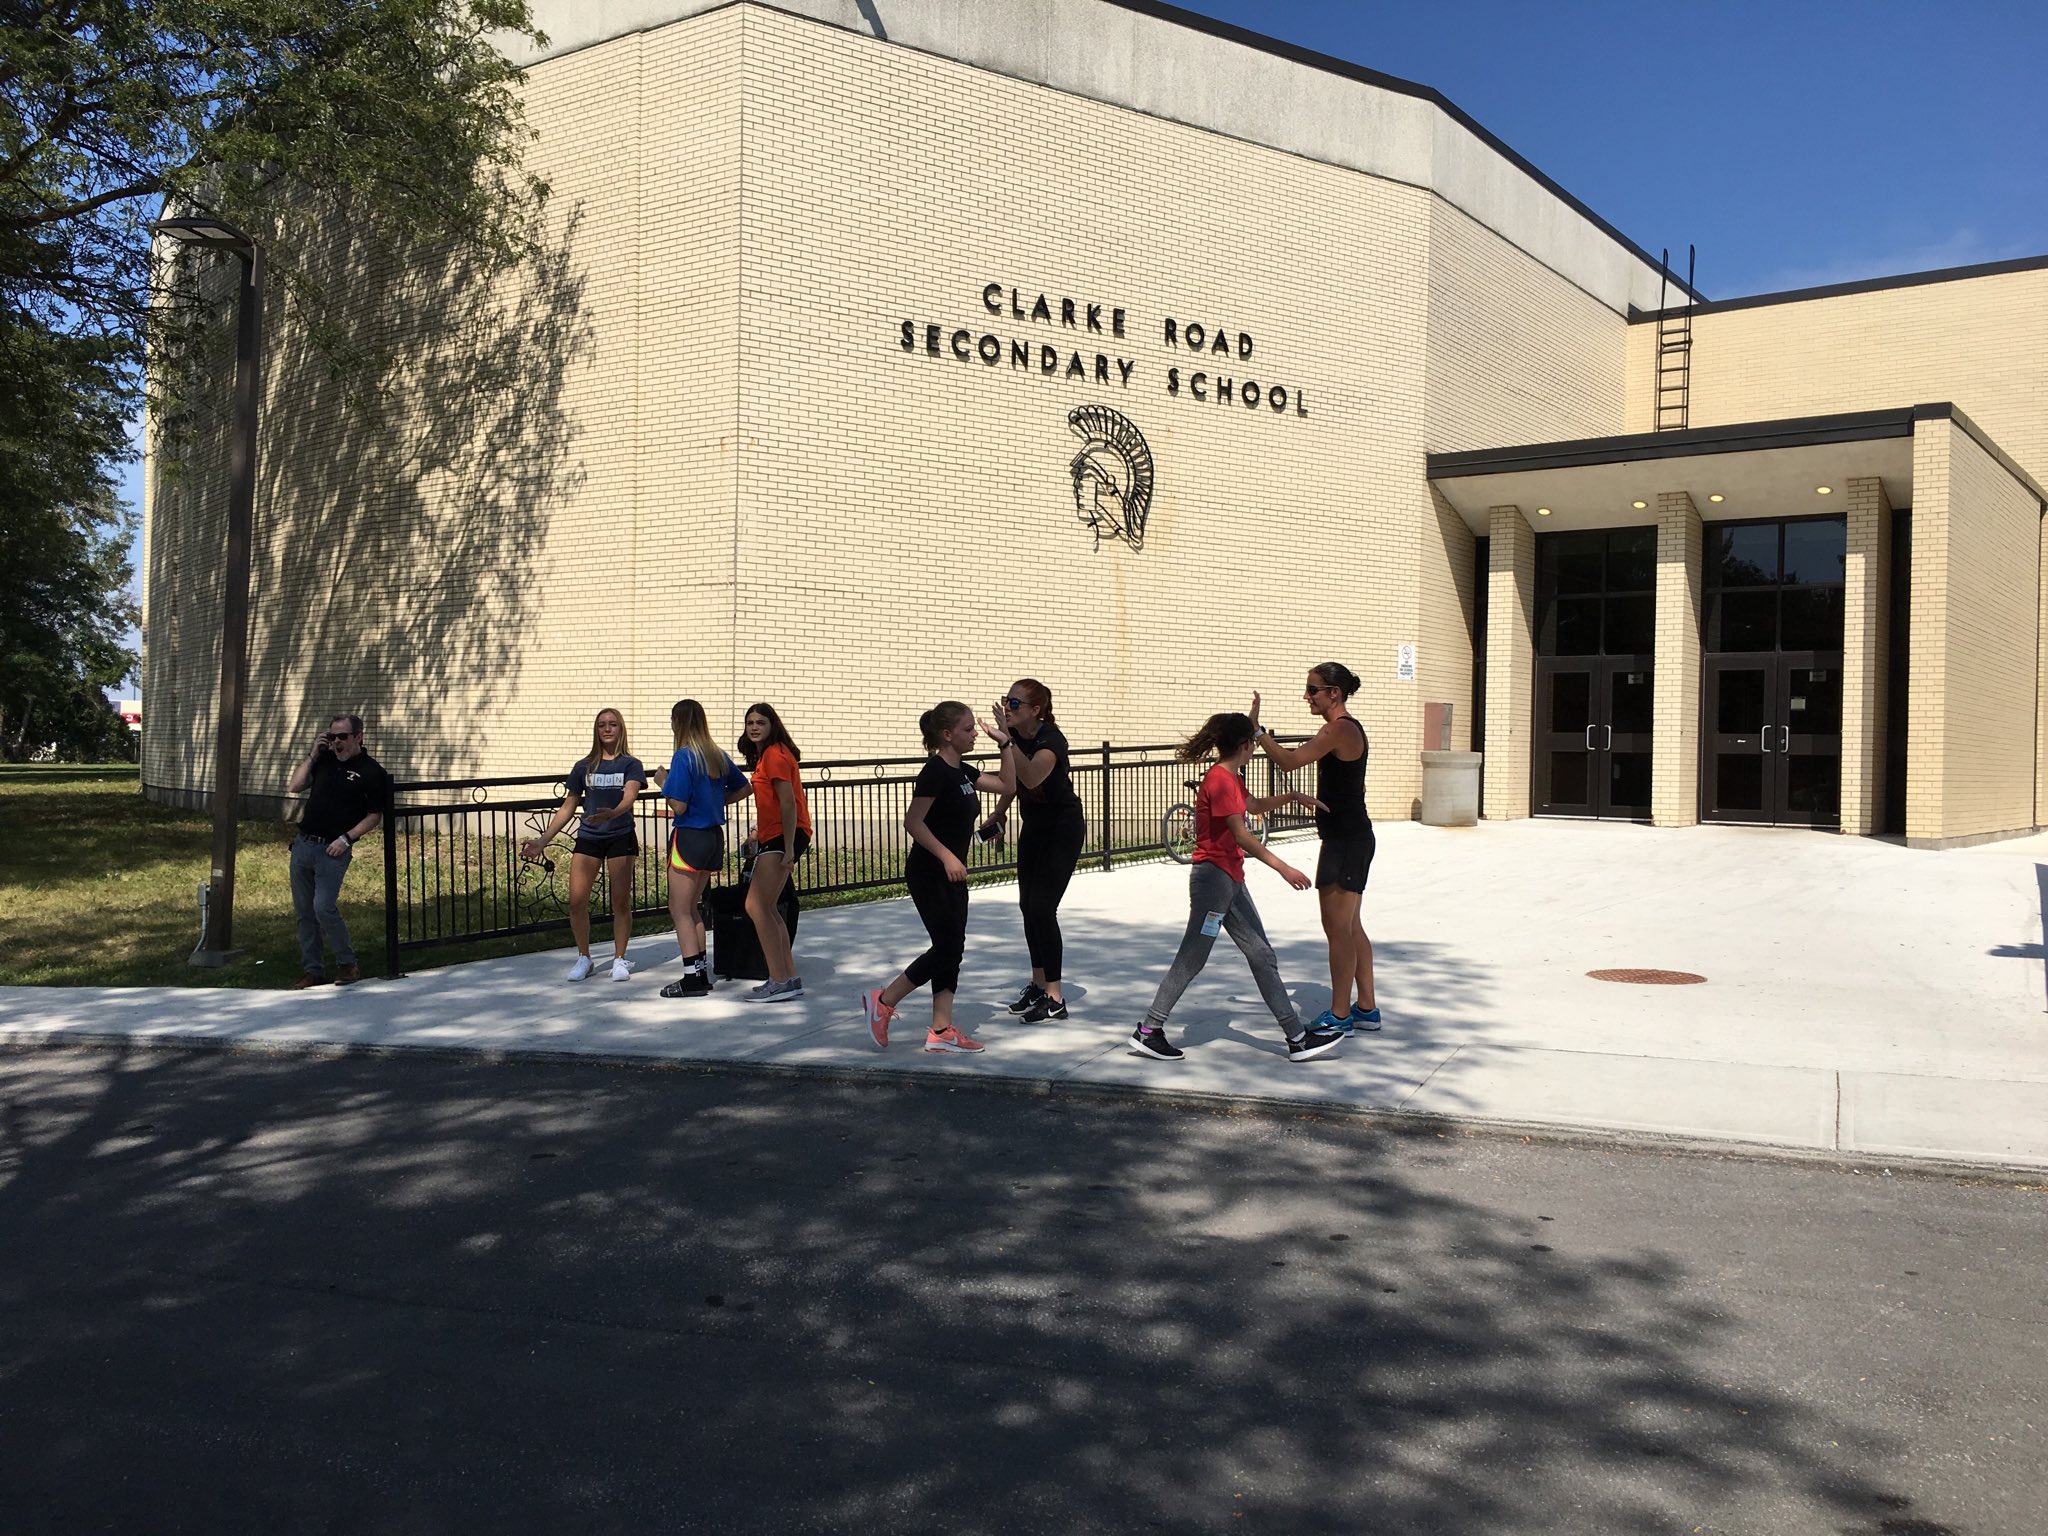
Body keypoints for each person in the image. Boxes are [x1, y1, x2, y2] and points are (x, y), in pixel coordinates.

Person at [1129, 711, 1340, 1063]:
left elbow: (1253, 806)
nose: (1255, 749)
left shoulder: (1229, 777)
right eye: (1254, 744)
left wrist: (1290, 797)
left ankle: (1297, 1038)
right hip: (1214, 881)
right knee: (1192, 958)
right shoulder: (1221, 780)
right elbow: (1241, 834)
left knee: (1261, 954)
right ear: (1245, 745)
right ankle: (1149, 1030)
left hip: (1228, 880)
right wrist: (1283, 867)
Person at [862, 702, 1015, 1053]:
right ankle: (883, 1000)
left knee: (953, 949)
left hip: (953, 873)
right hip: (930, 872)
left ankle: (942, 1030)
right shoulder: (934, 772)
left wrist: (1004, 742)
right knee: (947, 947)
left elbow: (1008, 786)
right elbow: (913, 822)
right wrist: (947, 855)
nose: (975, 732)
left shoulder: (963, 770)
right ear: (947, 735)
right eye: (968, 729)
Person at [1252, 662, 1379, 1034]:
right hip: (1349, 838)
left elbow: (1289, 762)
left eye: (1312, 689)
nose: (1306, 695)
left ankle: (1340, 1015)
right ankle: (1366, 1007)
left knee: (1337, 928)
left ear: (1333, 693)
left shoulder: (1338, 729)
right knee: (1350, 925)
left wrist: (1258, 732)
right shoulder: (1345, 729)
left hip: (1346, 841)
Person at [979, 678, 1085, 1022]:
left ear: (1035, 710)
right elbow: (1014, 780)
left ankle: (1055, 997)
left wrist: (1007, 743)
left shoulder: (1051, 740)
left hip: (1062, 829)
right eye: (1006, 701)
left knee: (1042, 907)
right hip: (1035, 828)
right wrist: (999, 812)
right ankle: (1039, 985)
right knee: (1027, 906)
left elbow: (1034, 777)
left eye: (1014, 704)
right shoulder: (1017, 739)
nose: (1007, 708)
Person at [521, 708, 646, 982]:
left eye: (613, 724)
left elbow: (630, 796)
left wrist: (613, 813)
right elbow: (568, 806)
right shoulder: (584, 766)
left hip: (620, 836)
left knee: (620, 902)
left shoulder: (630, 764)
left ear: (621, 728)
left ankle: (619, 959)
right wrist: (542, 842)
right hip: (589, 837)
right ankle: (584, 957)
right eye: (602, 725)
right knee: (577, 901)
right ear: (596, 730)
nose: (607, 729)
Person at [284, 712, 390, 988]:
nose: (337, 742)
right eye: (332, 737)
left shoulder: (371, 771)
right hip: (305, 844)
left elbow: (374, 815)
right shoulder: (323, 761)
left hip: (333, 849)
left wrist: (347, 838)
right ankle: (312, 970)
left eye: (343, 737)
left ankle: (347, 964)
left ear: (358, 737)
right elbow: (294, 786)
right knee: (305, 912)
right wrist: (312, 755)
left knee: (323, 907)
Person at [656, 699, 752, 999]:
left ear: (678, 722)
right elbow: (746, 787)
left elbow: (679, 804)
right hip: (713, 836)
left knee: (679, 909)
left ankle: (691, 978)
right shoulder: (715, 754)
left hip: (690, 837)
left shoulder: (684, 757)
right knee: (693, 908)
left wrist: (663, 783)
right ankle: (699, 970)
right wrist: (713, 802)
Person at [736, 701, 810, 1002]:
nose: (754, 727)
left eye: (761, 722)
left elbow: (788, 802)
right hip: (775, 836)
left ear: (772, 725)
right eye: (750, 722)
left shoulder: (776, 755)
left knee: (755, 906)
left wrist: (789, 847)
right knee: (767, 907)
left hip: (783, 837)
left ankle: (778, 980)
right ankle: (789, 977)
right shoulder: (766, 755)